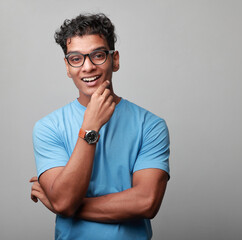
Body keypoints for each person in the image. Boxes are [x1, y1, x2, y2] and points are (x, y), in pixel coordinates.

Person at [29, 13, 170, 240]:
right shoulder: (48, 127)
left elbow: (146, 202)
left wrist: (64, 205)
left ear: (114, 60)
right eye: (76, 58)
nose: (88, 67)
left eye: (98, 55)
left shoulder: (150, 126)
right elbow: (64, 201)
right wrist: (90, 127)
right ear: (67, 66)